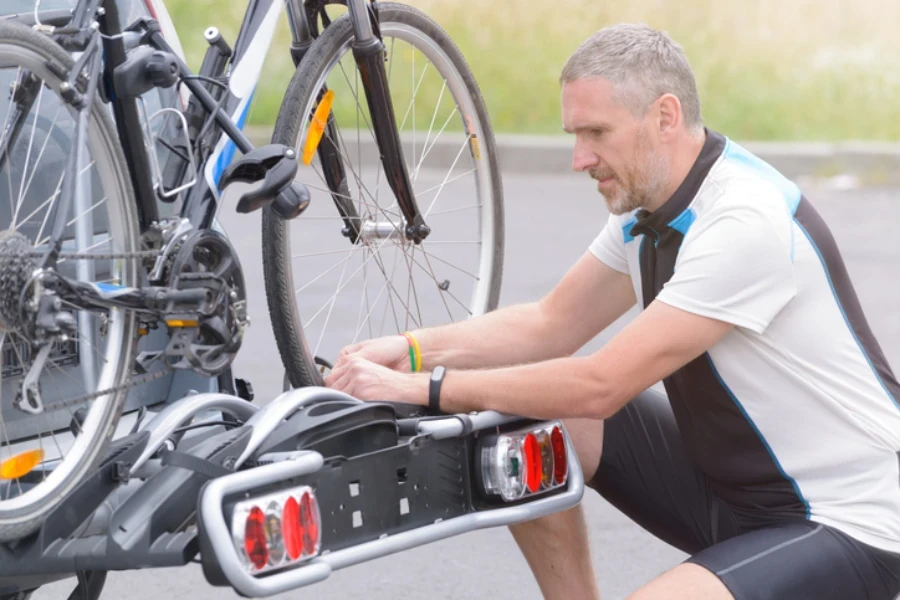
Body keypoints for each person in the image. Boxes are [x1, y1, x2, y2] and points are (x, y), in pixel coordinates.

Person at [324, 22, 900, 600]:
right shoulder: (651, 204)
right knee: (525, 415)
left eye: (597, 132)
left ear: (665, 117)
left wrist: (428, 387)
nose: (580, 158)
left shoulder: (743, 222)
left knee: (542, 396)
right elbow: (550, 324)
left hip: (850, 523)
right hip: (738, 497)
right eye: (575, 134)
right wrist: (410, 348)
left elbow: (602, 385)